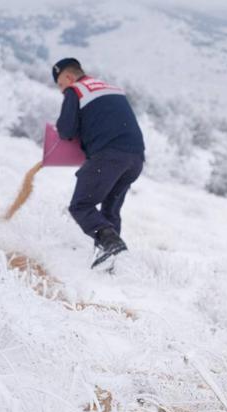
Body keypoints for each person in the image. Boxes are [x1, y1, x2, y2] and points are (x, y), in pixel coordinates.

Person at [53, 58, 145, 269]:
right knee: (110, 212)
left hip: (109, 157)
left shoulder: (75, 90)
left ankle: (112, 247)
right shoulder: (112, 89)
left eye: (59, 84)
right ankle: (110, 265)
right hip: (136, 159)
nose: (61, 90)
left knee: (81, 205)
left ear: (68, 77)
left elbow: (66, 130)